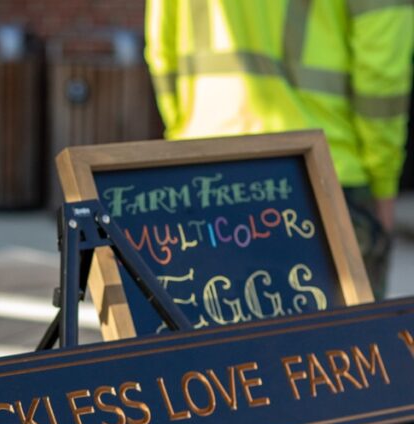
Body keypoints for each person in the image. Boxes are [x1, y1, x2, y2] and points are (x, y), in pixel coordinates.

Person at [144, 0, 413, 299]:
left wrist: (183, 134)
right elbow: (383, 70)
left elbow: (161, 47)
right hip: (324, 173)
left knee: (222, 336)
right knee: (341, 340)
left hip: (204, 166)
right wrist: (383, 184)